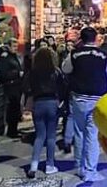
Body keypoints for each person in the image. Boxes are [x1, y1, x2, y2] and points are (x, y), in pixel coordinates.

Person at [62, 27, 107, 182]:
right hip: (96, 99)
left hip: (78, 98)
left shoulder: (75, 54)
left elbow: (65, 69)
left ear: (82, 38)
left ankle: (80, 166)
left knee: (79, 133)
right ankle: (90, 170)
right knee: (92, 135)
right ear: (95, 39)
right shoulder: (104, 55)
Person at [23, 46, 65, 178]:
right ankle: (50, 165)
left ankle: (33, 165)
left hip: (38, 103)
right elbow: (63, 87)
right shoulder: (56, 71)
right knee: (51, 137)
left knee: (40, 136)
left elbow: (25, 87)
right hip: (52, 102)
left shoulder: (32, 72)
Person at [0, 38, 24, 138]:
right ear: (8, 46)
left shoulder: (14, 57)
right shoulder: (5, 58)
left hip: (17, 86)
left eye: (17, 47)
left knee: (16, 109)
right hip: (10, 87)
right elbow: (3, 73)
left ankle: (14, 129)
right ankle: (12, 131)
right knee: (12, 110)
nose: (16, 48)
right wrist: (17, 73)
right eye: (14, 46)